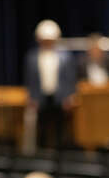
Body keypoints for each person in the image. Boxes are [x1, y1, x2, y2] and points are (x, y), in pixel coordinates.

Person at [24, 20, 76, 148]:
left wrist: (69, 97)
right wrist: (32, 98)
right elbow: (30, 80)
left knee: (60, 129)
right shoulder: (32, 57)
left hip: (60, 98)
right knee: (41, 129)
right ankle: (42, 157)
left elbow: (70, 78)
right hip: (40, 99)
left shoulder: (65, 56)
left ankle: (59, 157)